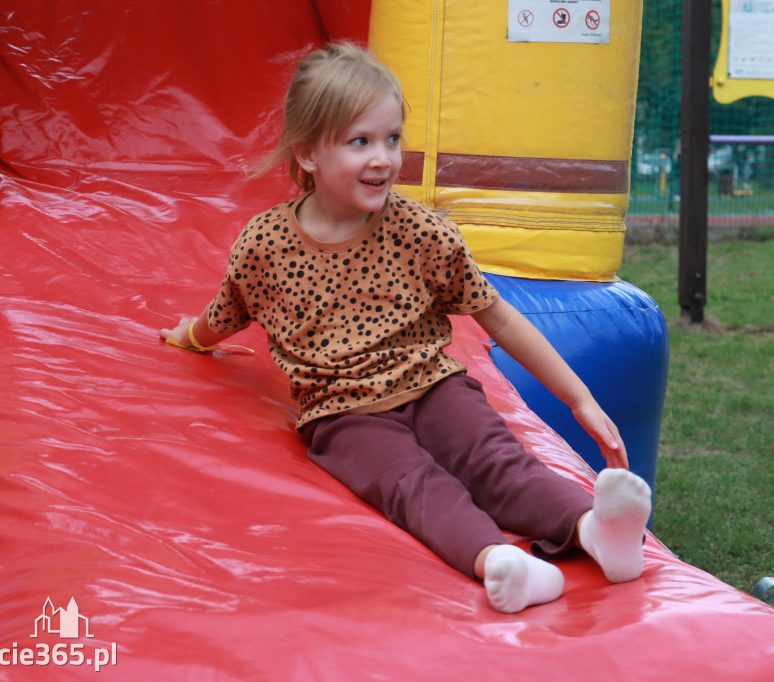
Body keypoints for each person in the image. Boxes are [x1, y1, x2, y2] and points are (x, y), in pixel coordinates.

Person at [160, 43, 651, 614]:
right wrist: (190, 337)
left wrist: (581, 399)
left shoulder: (421, 231)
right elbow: (227, 310)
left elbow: (501, 316)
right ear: (309, 154)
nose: (384, 158)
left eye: (392, 138)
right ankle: (500, 561)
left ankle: (594, 529)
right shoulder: (265, 245)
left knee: (497, 461)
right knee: (411, 486)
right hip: (344, 414)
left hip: (435, 386)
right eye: (360, 141)